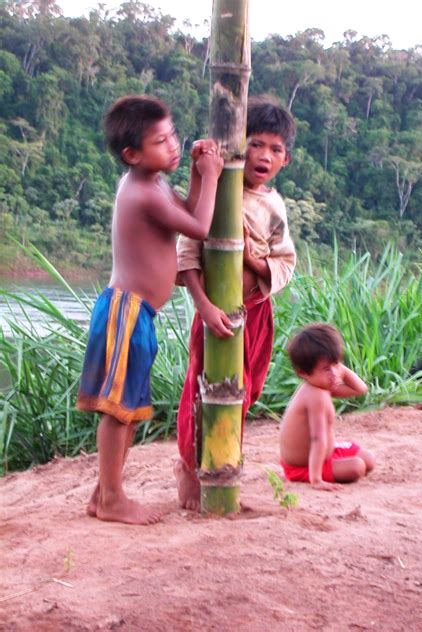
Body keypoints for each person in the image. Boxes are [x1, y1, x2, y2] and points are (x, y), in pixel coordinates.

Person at [76, 95, 223, 525]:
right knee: (118, 411)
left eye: (174, 134)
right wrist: (212, 174)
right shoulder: (142, 191)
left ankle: (103, 493)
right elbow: (200, 227)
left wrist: (198, 173)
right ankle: (111, 499)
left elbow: (191, 210)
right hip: (126, 312)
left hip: (139, 314)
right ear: (132, 154)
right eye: (161, 141)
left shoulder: (156, 182)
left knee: (130, 411)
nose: (173, 145)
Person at [174, 95, 297, 510]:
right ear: (238, 149)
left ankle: (223, 470)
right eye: (255, 144)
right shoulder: (220, 192)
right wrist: (204, 305)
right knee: (201, 390)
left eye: (275, 149)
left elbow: (285, 263)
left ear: (286, 160)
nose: (264, 156)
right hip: (213, 314)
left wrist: (248, 258)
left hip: (256, 314)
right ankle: (191, 474)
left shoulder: (274, 206)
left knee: (243, 392)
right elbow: (188, 250)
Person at [279, 323, 375, 489]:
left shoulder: (321, 384)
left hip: (325, 453)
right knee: (357, 467)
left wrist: (334, 367)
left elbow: (360, 389)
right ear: (303, 373)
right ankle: (314, 475)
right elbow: (318, 439)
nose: (334, 374)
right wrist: (316, 480)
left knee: (369, 459)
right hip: (303, 466)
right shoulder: (315, 396)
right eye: (325, 368)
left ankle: (331, 361)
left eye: (336, 363)